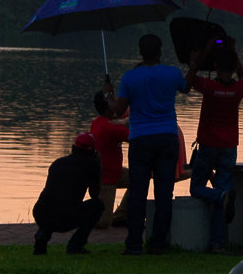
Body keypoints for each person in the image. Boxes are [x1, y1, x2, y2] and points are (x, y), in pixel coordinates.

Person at [111, 33, 188, 255]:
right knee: (164, 193)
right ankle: (158, 243)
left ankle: (134, 243)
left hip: (141, 139)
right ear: (160, 51)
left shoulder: (130, 78)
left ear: (140, 52)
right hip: (166, 137)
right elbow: (186, 87)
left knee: (138, 192)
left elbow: (117, 109)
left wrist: (109, 95)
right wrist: (192, 66)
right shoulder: (172, 73)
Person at [184, 38, 243, 252]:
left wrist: (199, 58)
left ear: (216, 67)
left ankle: (221, 196)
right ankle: (216, 244)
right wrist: (233, 50)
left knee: (197, 187)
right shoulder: (239, 89)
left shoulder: (209, 86)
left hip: (208, 145)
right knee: (223, 190)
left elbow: (188, 82)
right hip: (229, 147)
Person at [32, 132, 103, 255]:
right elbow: (94, 195)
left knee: (52, 203)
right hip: (65, 218)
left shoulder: (58, 163)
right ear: (93, 151)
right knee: (98, 205)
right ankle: (75, 246)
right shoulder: (92, 165)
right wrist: (98, 169)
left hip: (40, 213)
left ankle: (42, 236)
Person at [90, 86, 130, 229]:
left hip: (113, 173)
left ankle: (120, 216)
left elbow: (121, 120)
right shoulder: (111, 128)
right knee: (102, 224)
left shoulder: (97, 122)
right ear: (109, 106)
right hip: (107, 180)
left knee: (139, 178)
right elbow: (135, 137)